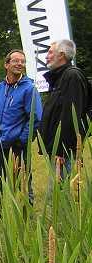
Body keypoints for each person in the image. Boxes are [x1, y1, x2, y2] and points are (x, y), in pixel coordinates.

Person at [0, 50, 42, 210]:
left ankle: (24, 214)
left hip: (19, 146)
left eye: (22, 61)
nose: (19, 64)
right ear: (6, 64)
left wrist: (22, 139)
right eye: (16, 61)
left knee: (22, 180)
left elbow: (34, 118)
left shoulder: (29, 89)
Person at [39, 39, 90, 181]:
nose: (46, 56)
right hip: (57, 149)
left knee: (59, 194)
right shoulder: (60, 78)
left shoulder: (72, 76)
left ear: (61, 55)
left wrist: (61, 149)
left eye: (50, 52)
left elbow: (71, 116)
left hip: (64, 151)